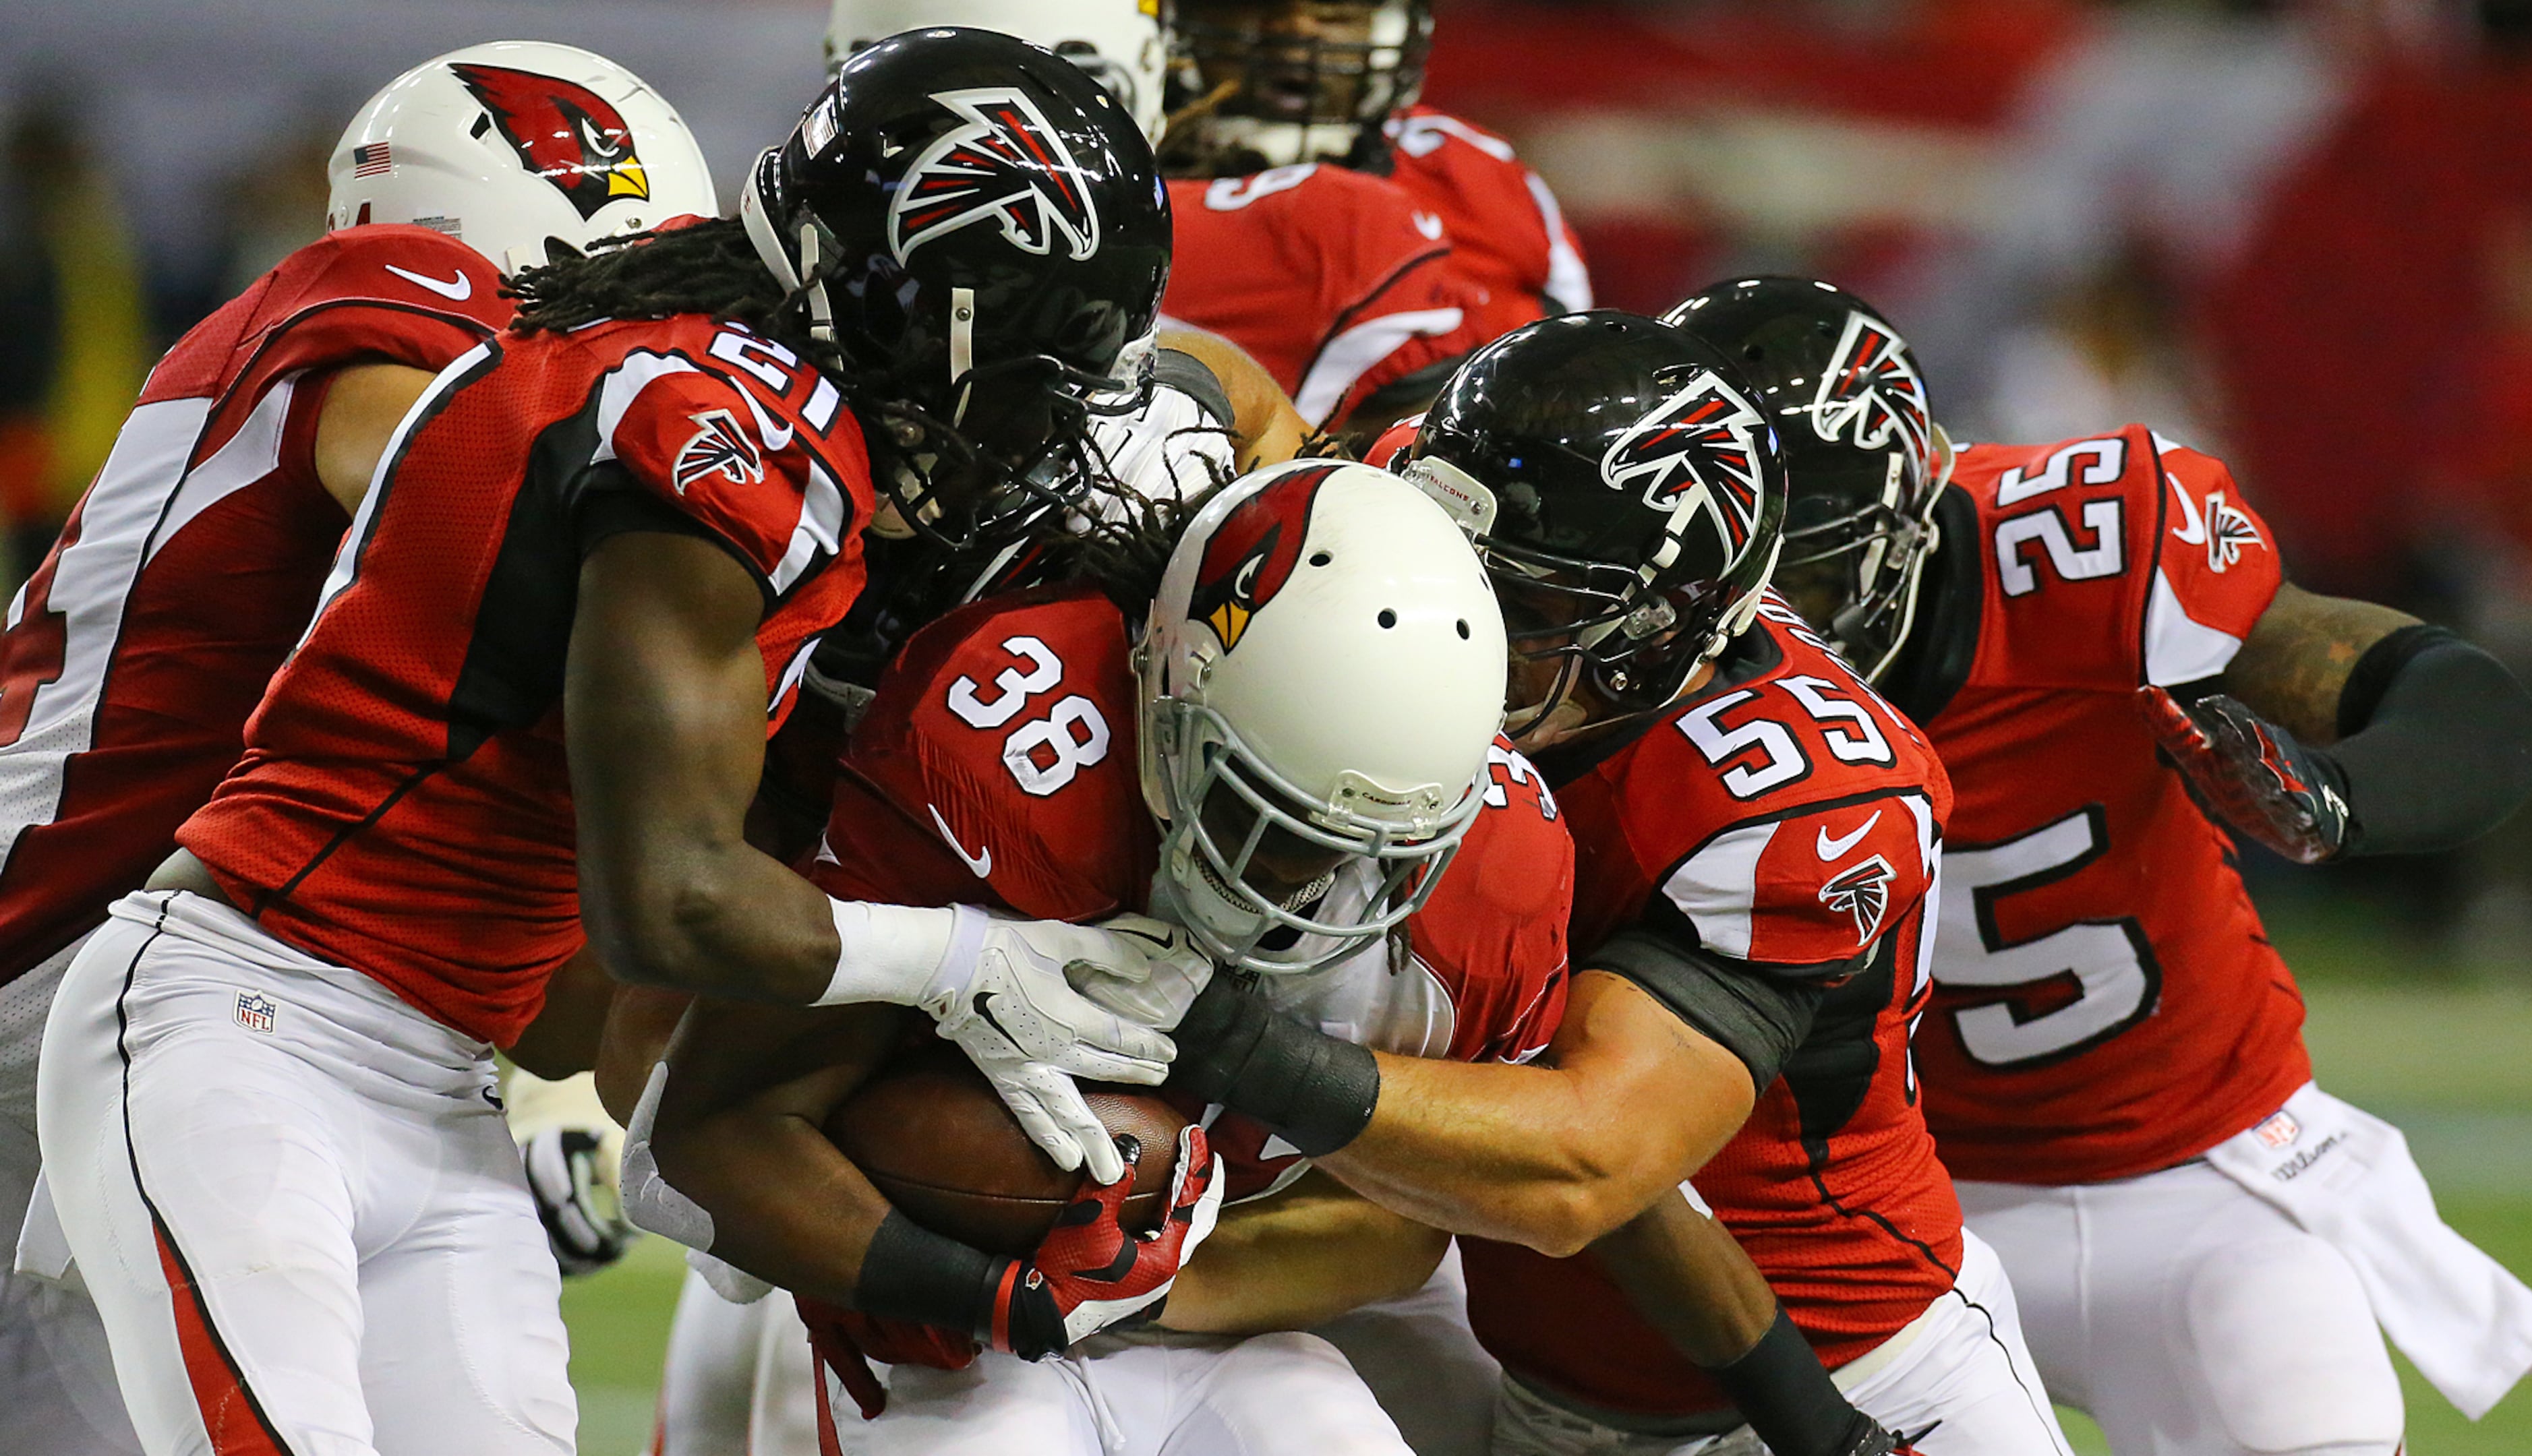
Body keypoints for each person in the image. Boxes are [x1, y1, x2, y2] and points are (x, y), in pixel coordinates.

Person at [34, 32, 1203, 1455]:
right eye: (1032, 374)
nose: (1040, 428)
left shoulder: (766, 427)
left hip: (443, 1086)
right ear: (915, 305)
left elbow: (600, 985)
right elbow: (669, 903)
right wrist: (966, 964)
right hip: (242, 1025)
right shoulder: (716, 421)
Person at [1664, 275, 2532, 1456]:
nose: (1767, 622)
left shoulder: (2084, 550)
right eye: (1722, 575)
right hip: (1843, 1210)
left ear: (1909, 507)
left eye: (1812, 573)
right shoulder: (1625, 657)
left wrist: (2337, 798)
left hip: (2192, 1181)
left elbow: (2460, 706)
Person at [1169, 312, 2069, 1455]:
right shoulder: (1416, 508)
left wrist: (1227, 1044)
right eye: (1466, 578)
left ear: (1656, 640)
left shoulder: (1798, 800)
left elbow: (1587, 1164)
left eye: (1529, 612)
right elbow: (1252, 407)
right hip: (1553, 1381)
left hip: (1866, 1357)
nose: (1460, 630)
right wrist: (1159, 383)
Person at [0, 42, 716, 1456]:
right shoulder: (389, 316)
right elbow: (468, 487)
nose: (658, 343)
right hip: (63, 960)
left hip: (170, 966)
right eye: (627, 287)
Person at [624, 459, 1561, 1456]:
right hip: (944, 1334)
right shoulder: (1010, 746)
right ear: (1165, 678)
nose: (1296, 873)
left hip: (1238, 1319)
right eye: (1257, 806)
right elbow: (698, 1144)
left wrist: (1143, 1285)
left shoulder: (1500, 875)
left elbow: (1406, 1228)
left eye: (1365, 843)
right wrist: (997, 1296)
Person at [1157, 0, 1576, 437]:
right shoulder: (1115, 177)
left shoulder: (1474, 176)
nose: (1296, 31)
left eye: (1336, 12)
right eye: (1251, 6)